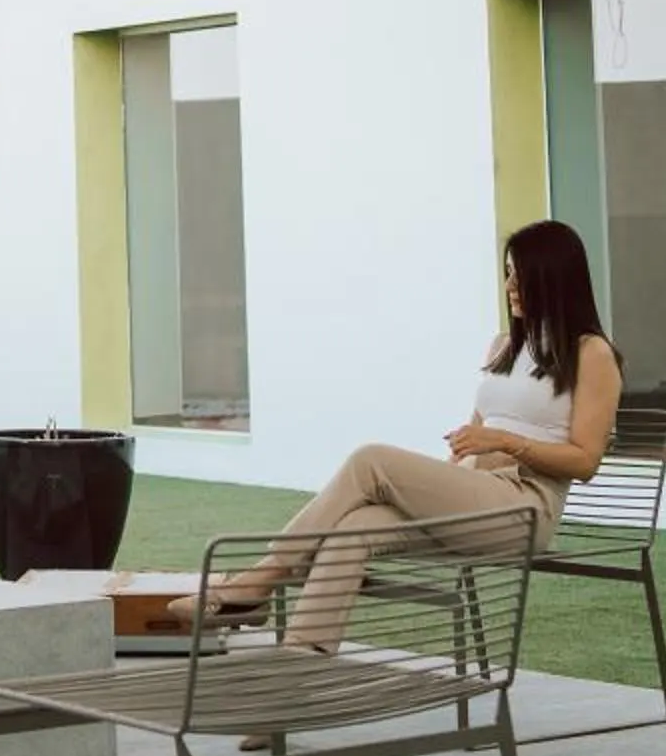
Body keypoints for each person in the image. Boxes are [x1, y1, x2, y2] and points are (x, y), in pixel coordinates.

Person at [165, 218, 622, 658]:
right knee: (353, 530)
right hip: (473, 496)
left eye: (520, 278)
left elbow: (585, 463)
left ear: (554, 281)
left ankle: (260, 579)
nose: (508, 288)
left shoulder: (591, 353)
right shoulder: (504, 346)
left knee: (372, 459)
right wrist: (446, 478)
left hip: (524, 508)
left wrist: (504, 442)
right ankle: (294, 680)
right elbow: (470, 439)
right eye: (506, 276)